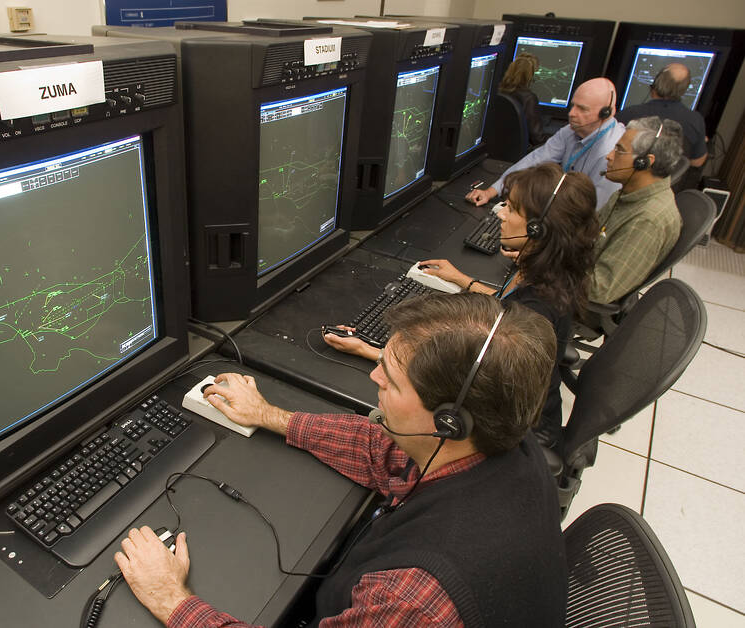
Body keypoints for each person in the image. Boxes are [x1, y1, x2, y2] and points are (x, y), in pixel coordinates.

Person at [113, 294, 567, 627]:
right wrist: (269, 415)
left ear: (447, 421)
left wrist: (173, 600)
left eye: (389, 378)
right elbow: (382, 450)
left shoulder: (416, 602)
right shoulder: (501, 444)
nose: (373, 376)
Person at [325, 163, 599, 448]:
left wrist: (370, 350)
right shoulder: (548, 272)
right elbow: (507, 304)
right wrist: (462, 280)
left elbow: (461, 379)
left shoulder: (537, 307)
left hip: (521, 436)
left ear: (537, 228)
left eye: (513, 209)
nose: (501, 214)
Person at [466, 77, 624, 209]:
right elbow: (536, 159)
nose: (571, 114)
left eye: (582, 109)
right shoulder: (571, 131)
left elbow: (595, 212)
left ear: (606, 113)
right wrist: (492, 191)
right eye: (572, 106)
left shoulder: (611, 154)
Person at [590, 115, 683, 304]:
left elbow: (599, 290)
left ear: (644, 162)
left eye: (619, 150)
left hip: (578, 303)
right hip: (577, 271)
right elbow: (590, 236)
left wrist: (546, 268)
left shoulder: (648, 220)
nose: (609, 156)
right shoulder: (629, 193)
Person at [619, 63, 707, 168]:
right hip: (670, 182)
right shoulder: (695, 120)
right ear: (684, 89)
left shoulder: (628, 114)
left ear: (656, 83)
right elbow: (697, 162)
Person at [498, 52, 549, 146]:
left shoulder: (498, 91)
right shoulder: (529, 98)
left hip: (499, 146)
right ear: (530, 75)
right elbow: (537, 138)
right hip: (519, 149)